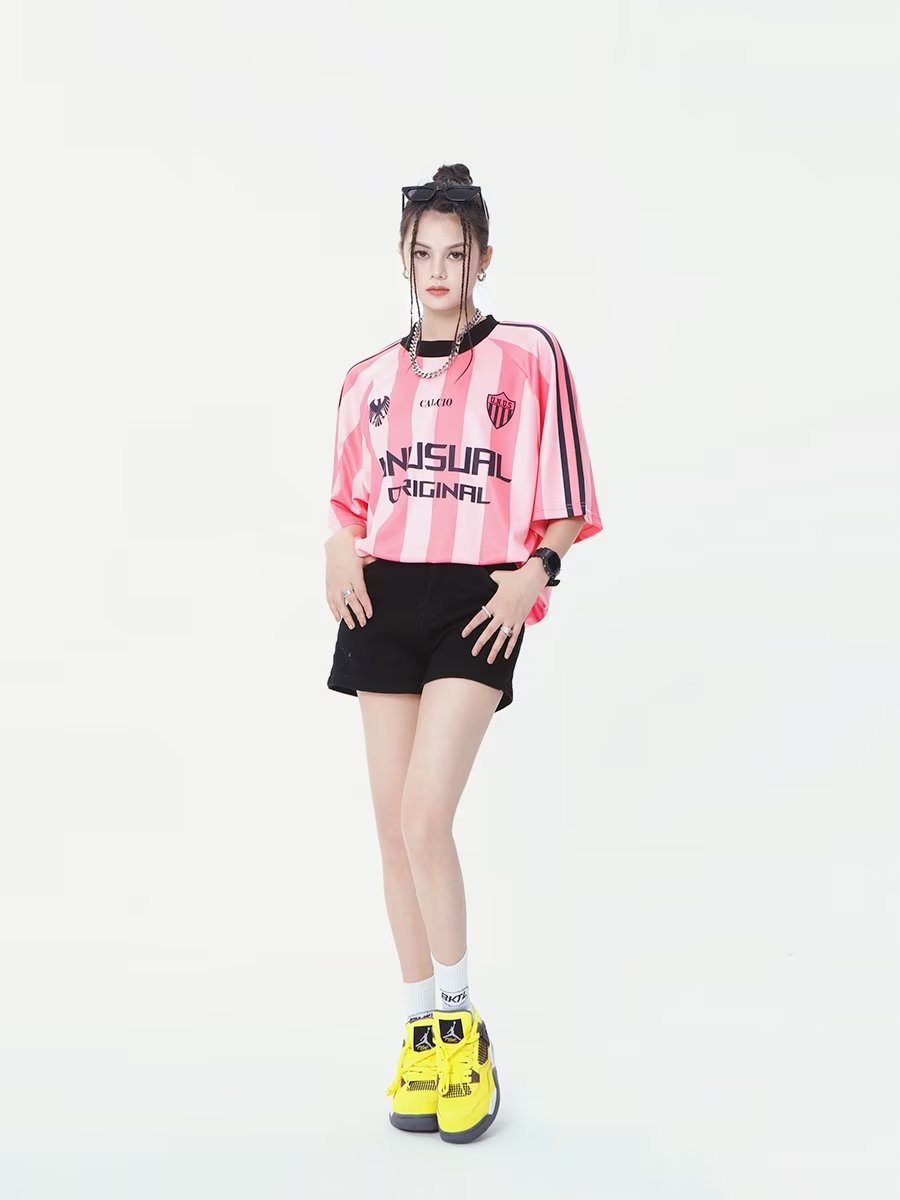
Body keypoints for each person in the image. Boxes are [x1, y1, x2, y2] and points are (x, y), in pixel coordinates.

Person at [323, 163, 603, 1142]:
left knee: (424, 813)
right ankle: (419, 1035)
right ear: (403, 259)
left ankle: (461, 1025)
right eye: (423, 253)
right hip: (383, 597)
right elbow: (350, 502)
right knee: (389, 829)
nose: (438, 269)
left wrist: (537, 573)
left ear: (483, 259)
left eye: (456, 253)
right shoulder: (367, 377)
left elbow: (568, 495)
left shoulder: (529, 355)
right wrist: (335, 547)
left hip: (477, 601)